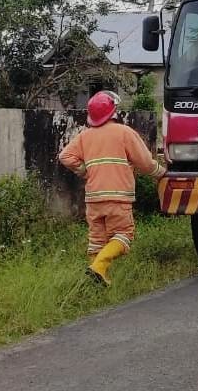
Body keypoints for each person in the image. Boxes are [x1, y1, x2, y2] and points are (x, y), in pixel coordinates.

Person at [59, 91, 165, 285]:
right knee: (124, 235)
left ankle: (98, 281)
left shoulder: (85, 136)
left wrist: (84, 171)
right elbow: (144, 163)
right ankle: (98, 267)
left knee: (97, 241)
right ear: (114, 111)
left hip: (93, 198)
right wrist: (161, 173)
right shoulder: (124, 132)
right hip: (118, 197)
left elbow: (64, 156)